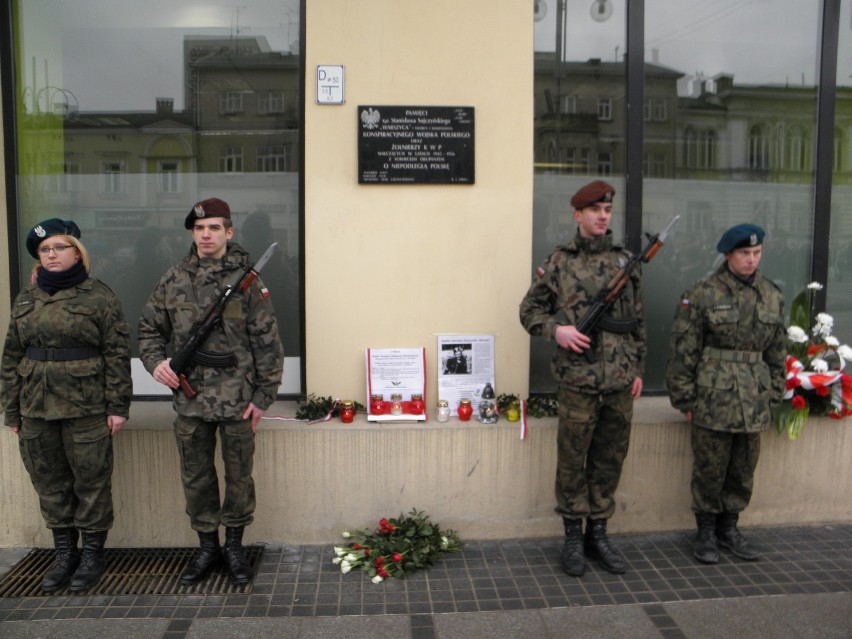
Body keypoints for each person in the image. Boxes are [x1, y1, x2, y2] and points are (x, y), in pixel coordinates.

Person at [137, 197, 284, 585]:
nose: (206, 234)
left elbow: (267, 341)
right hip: (191, 399)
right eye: (200, 228)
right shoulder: (173, 279)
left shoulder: (248, 282)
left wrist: (263, 397)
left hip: (238, 398)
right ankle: (207, 546)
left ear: (228, 232)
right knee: (196, 476)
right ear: (192, 233)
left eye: (215, 227)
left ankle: (234, 547)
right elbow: (149, 330)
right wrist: (157, 364)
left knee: (239, 476)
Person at [519, 181, 645, 577]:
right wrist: (556, 331)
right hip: (577, 380)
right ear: (578, 215)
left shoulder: (626, 262)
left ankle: (599, 534)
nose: (603, 216)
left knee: (610, 458)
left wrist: (638, 368)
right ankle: (574, 536)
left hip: (620, 379)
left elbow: (637, 321)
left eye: (607, 209)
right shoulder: (559, 262)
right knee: (573, 459)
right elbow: (529, 310)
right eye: (595, 210)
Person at [1, 218, 132, 593]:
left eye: (59, 247)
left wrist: (118, 406)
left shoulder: (98, 297)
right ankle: (64, 554)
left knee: (91, 483)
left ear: (77, 251)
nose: (52, 254)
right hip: (36, 409)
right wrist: (11, 410)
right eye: (45, 250)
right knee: (50, 483)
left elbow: (117, 354)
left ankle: (91, 556)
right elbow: (12, 356)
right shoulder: (27, 299)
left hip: (86, 407)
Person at [666, 224, 785, 564]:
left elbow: (777, 352)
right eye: (745, 253)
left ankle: (729, 528)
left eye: (757, 253)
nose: (752, 260)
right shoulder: (703, 292)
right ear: (728, 255)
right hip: (713, 397)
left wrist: (774, 392)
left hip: (754, 397)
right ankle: (705, 532)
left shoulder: (772, 294)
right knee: (710, 467)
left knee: (743, 467)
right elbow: (683, 350)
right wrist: (685, 399)